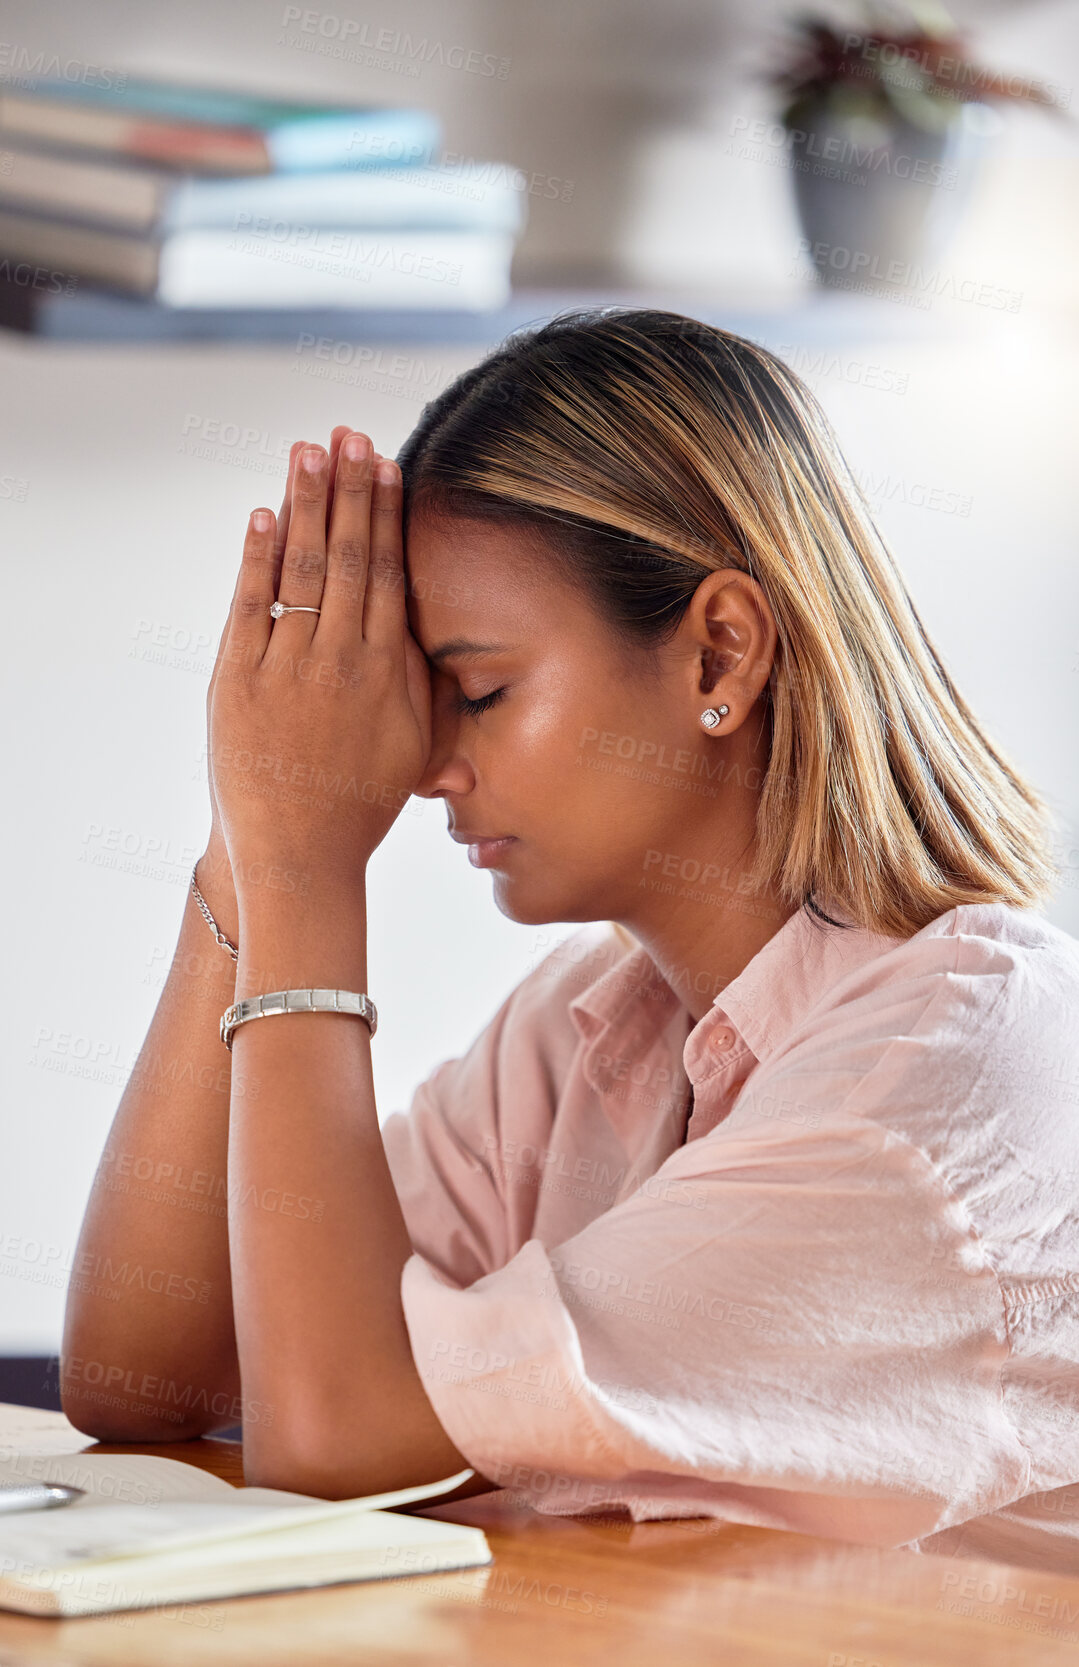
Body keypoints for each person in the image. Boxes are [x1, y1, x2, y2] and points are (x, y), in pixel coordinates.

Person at [63, 308, 1079, 1574]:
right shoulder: (597, 1023)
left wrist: (304, 860)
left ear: (719, 649)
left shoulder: (931, 1084)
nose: (424, 764)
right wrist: (250, 823)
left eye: (478, 691)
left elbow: (338, 1443)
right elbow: (140, 1373)